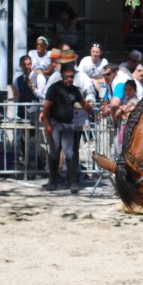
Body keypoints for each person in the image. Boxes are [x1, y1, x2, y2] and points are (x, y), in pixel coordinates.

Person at [42, 62, 92, 193]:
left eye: (71, 77)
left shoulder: (75, 90)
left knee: (70, 153)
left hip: (69, 124)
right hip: (54, 124)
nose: (69, 79)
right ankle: (53, 182)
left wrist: (91, 108)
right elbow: (46, 107)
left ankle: (72, 183)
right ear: (61, 76)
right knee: (54, 152)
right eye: (66, 77)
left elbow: (83, 104)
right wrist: (47, 125)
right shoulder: (54, 88)